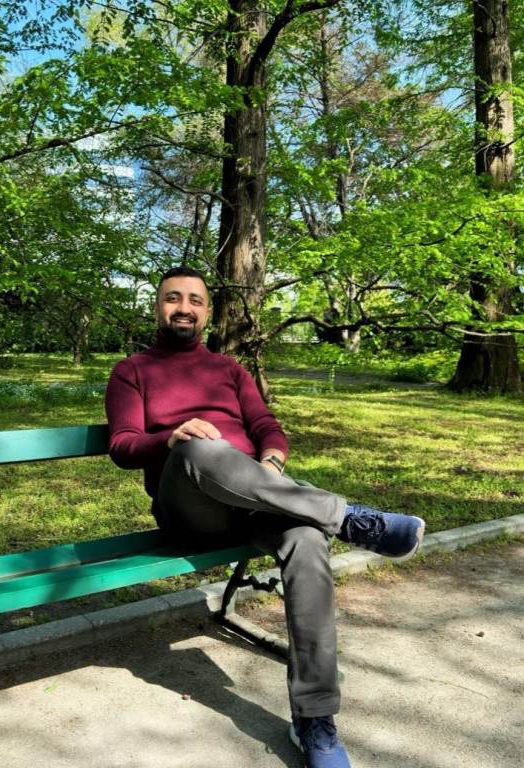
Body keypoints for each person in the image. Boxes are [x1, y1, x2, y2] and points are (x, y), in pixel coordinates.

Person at [105, 266, 425, 768]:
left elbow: (266, 426)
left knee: (307, 541)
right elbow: (123, 446)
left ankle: (314, 721)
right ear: (157, 306)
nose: (184, 307)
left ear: (208, 312)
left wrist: (271, 461)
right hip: (190, 509)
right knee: (200, 446)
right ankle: (350, 518)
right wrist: (171, 438)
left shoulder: (230, 369)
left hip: (254, 500)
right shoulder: (132, 370)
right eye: (173, 298)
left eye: (194, 300)